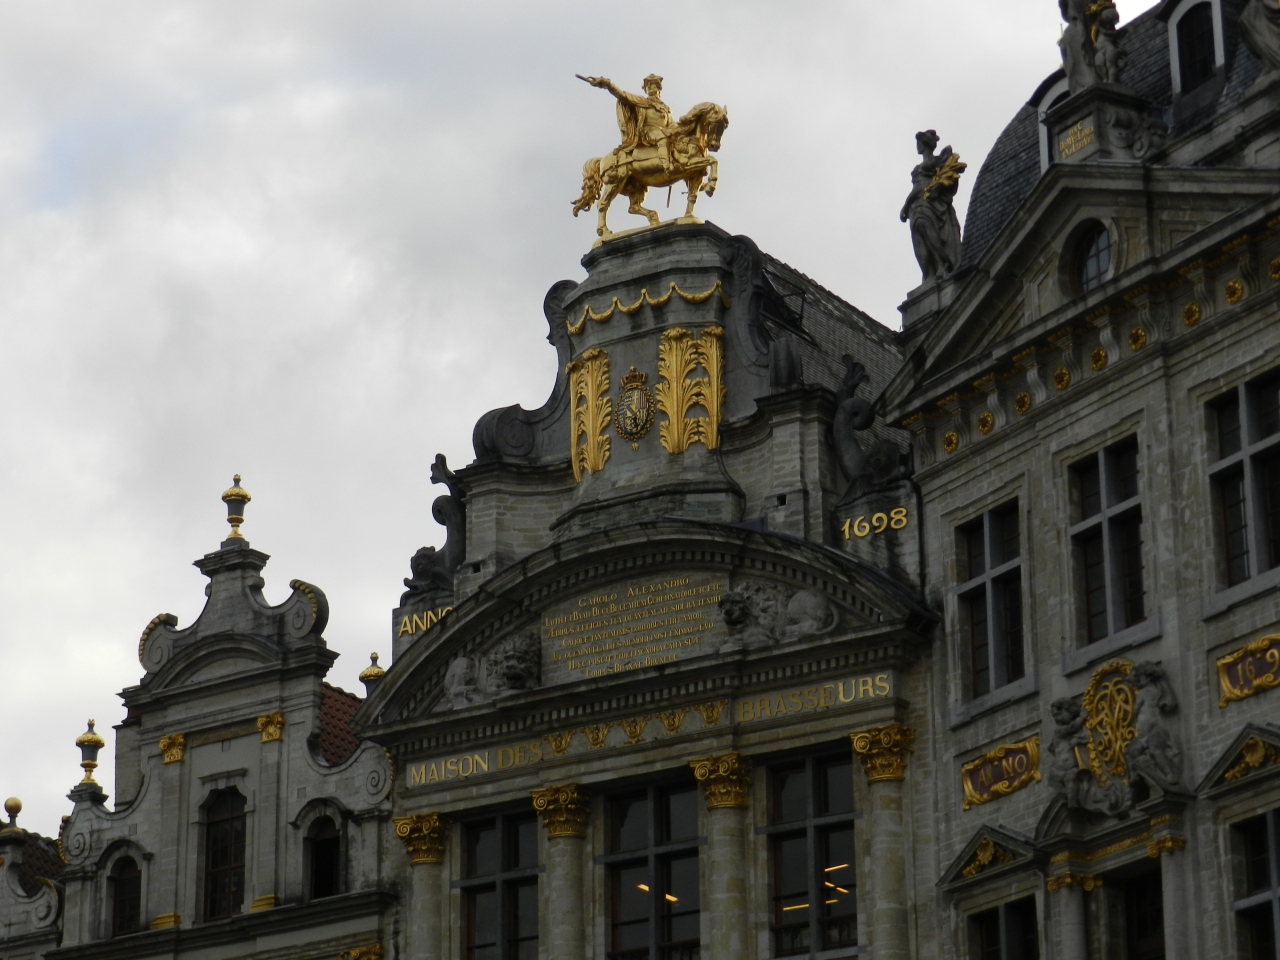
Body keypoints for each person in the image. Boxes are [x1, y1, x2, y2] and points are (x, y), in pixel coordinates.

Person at [900, 130, 964, 285]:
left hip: (927, 202)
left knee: (927, 231)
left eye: (919, 143)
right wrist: (907, 205)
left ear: (924, 144)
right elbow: (917, 188)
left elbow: (949, 170)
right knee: (919, 240)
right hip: (915, 205)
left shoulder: (936, 160)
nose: (917, 146)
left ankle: (942, 264)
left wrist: (939, 186)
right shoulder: (919, 166)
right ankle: (928, 274)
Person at [584, 73, 675, 174]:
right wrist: (607, 84)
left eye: (653, 84)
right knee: (661, 138)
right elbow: (622, 95)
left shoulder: (665, 108)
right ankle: (667, 166)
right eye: (647, 86)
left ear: (658, 87)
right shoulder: (642, 101)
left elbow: (672, 125)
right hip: (647, 131)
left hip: (662, 131)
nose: (650, 87)